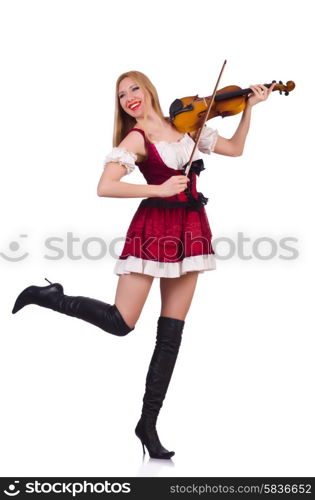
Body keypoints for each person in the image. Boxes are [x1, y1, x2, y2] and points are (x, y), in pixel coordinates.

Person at [12, 71, 275, 459]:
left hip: (191, 229)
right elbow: (106, 186)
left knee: (171, 335)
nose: (129, 98)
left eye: (134, 88)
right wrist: (159, 188)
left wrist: (248, 109)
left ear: (149, 89)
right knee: (122, 322)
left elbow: (235, 149)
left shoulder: (188, 124)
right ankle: (51, 297)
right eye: (121, 95)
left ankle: (147, 424)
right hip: (154, 228)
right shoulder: (135, 138)